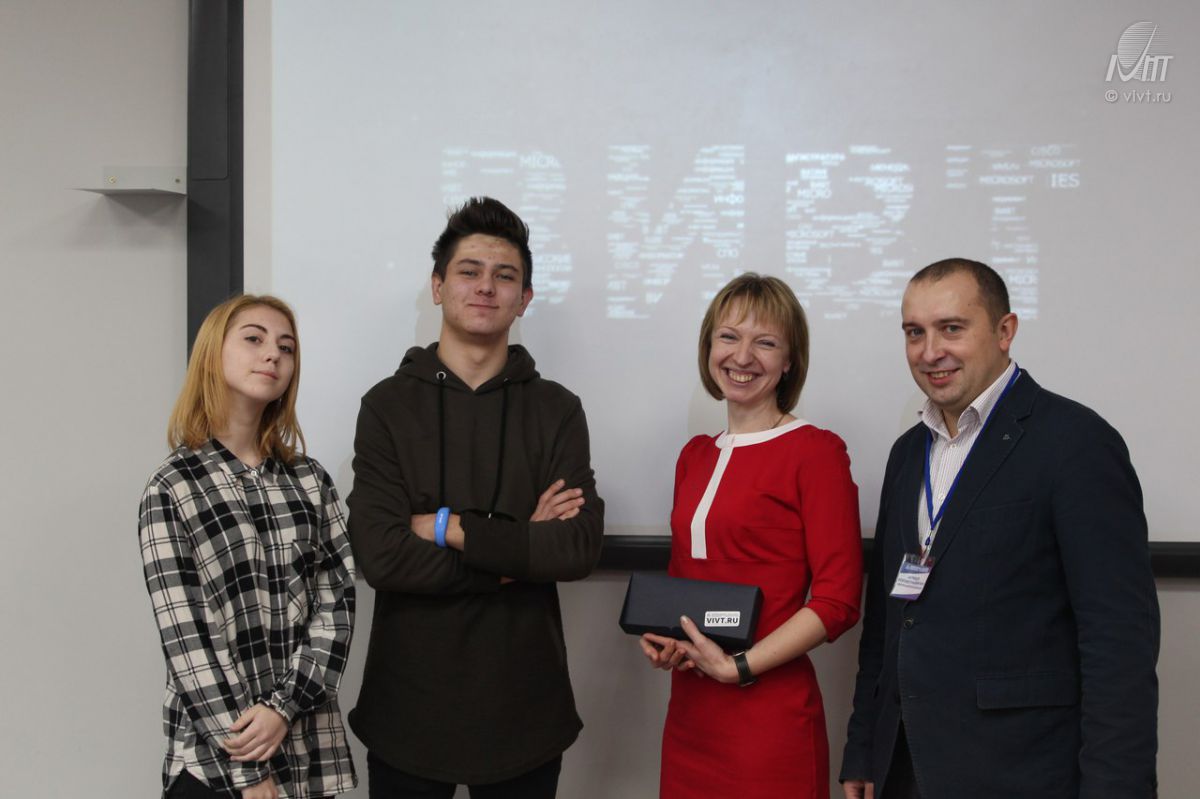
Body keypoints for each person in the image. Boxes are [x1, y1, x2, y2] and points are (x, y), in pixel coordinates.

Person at [840, 259, 1160, 799]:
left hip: (1023, 772)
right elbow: (886, 627)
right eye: (914, 333)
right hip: (904, 769)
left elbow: (1118, 641)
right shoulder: (907, 454)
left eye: (952, 328)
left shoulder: (1076, 443)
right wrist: (865, 749)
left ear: (1005, 331)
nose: (929, 351)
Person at [346, 196, 604, 798]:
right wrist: (518, 550)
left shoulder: (558, 410)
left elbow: (574, 548)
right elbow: (380, 555)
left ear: (524, 298)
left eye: (504, 275)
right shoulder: (386, 406)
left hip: (525, 711)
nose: (486, 286)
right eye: (469, 271)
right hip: (407, 711)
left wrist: (443, 528)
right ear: (438, 287)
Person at [640, 273, 864, 798]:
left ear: (789, 361)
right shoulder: (694, 455)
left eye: (764, 342)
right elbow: (684, 582)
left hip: (769, 720)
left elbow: (838, 600)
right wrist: (665, 637)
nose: (742, 357)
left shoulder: (816, 452)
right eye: (729, 336)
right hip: (690, 716)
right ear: (708, 347)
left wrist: (738, 667)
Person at [139, 295, 357, 799]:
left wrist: (284, 707)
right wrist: (250, 770)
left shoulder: (311, 480)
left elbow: (337, 603)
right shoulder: (173, 486)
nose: (273, 354)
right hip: (215, 765)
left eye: (286, 347)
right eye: (254, 339)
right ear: (213, 353)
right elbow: (187, 637)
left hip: (308, 751)